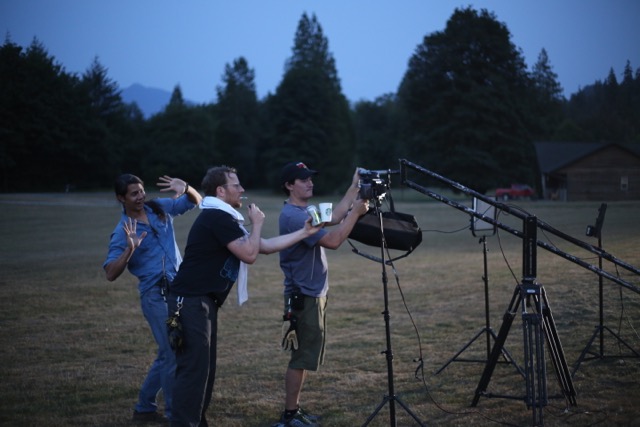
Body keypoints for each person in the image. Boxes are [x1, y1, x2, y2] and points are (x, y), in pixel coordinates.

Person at [168, 165, 322, 427]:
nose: (242, 190)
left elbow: (263, 246)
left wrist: (305, 232)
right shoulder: (217, 217)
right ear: (221, 190)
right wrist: (258, 224)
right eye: (236, 185)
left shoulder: (223, 217)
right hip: (192, 303)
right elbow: (250, 254)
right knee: (194, 373)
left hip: (201, 303)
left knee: (204, 372)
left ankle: (196, 422)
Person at [103, 173, 202, 424]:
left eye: (141, 191)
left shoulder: (158, 207)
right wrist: (130, 248)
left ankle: (144, 407)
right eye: (134, 193)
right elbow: (110, 273)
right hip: (155, 296)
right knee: (172, 353)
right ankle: (173, 414)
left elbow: (195, 202)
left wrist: (187, 187)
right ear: (120, 198)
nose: (140, 197)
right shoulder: (122, 231)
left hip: (177, 290)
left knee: (167, 353)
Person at [276, 162, 369, 426]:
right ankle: (290, 415)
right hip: (304, 295)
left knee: (305, 356)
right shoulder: (294, 216)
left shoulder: (304, 210)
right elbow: (335, 240)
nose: (310, 183)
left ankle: (294, 410)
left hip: (313, 292)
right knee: (301, 356)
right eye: (303, 180)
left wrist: (354, 187)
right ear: (289, 185)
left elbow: (337, 215)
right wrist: (358, 212)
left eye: (310, 178)